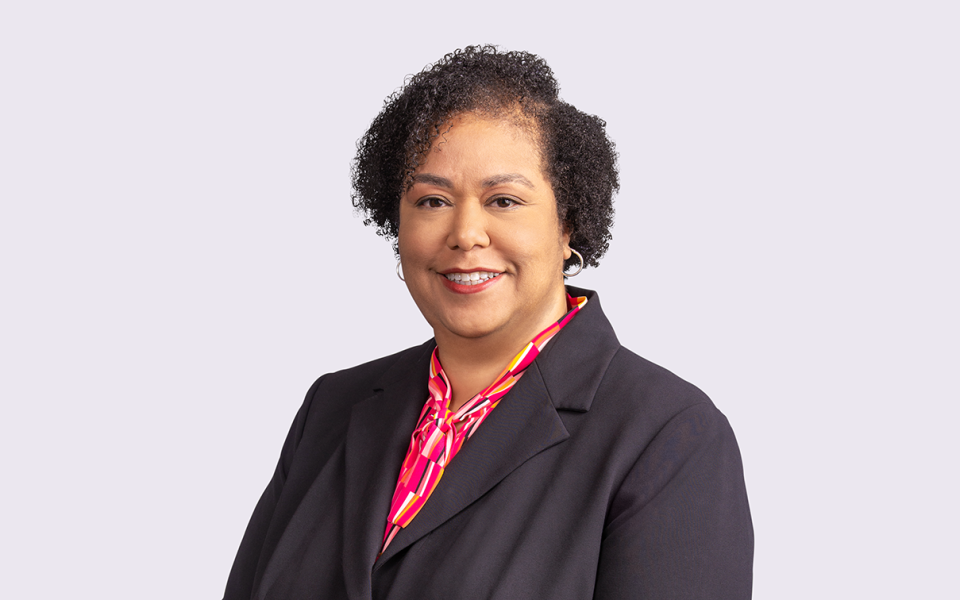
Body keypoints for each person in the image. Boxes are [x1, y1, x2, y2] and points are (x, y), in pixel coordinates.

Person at [223, 45, 753, 600]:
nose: (465, 234)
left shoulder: (670, 436)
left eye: (503, 200)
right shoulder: (331, 408)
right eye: (432, 201)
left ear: (568, 224)